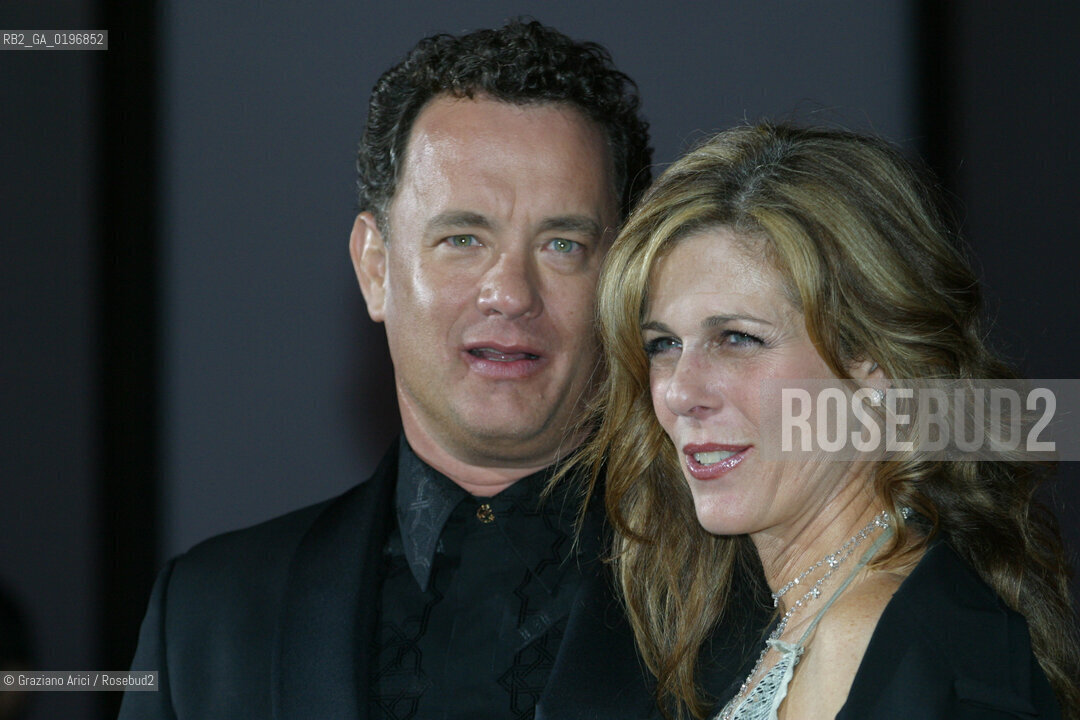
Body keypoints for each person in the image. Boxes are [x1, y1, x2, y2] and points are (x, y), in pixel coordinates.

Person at [119, 20, 765, 720]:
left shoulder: (755, 597)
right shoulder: (209, 618)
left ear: (625, 279)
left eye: (562, 244)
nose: (512, 294)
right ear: (375, 267)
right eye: (462, 238)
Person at [568, 123, 1080, 719]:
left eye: (737, 338)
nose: (681, 391)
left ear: (874, 363)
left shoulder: (881, 641)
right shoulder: (801, 620)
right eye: (662, 345)